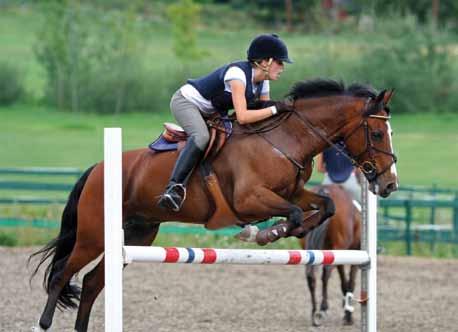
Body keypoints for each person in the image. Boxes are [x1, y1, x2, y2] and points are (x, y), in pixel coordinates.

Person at [157, 34, 294, 212]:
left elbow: (263, 111)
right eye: (280, 62)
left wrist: (285, 112)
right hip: (187, 102)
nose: (282, 67)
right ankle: (174, 189)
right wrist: (277, 109)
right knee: (201, 137)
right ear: (265, 62)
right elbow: (243, 116)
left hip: (214, 111)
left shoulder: (263, 82)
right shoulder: (237, 75)